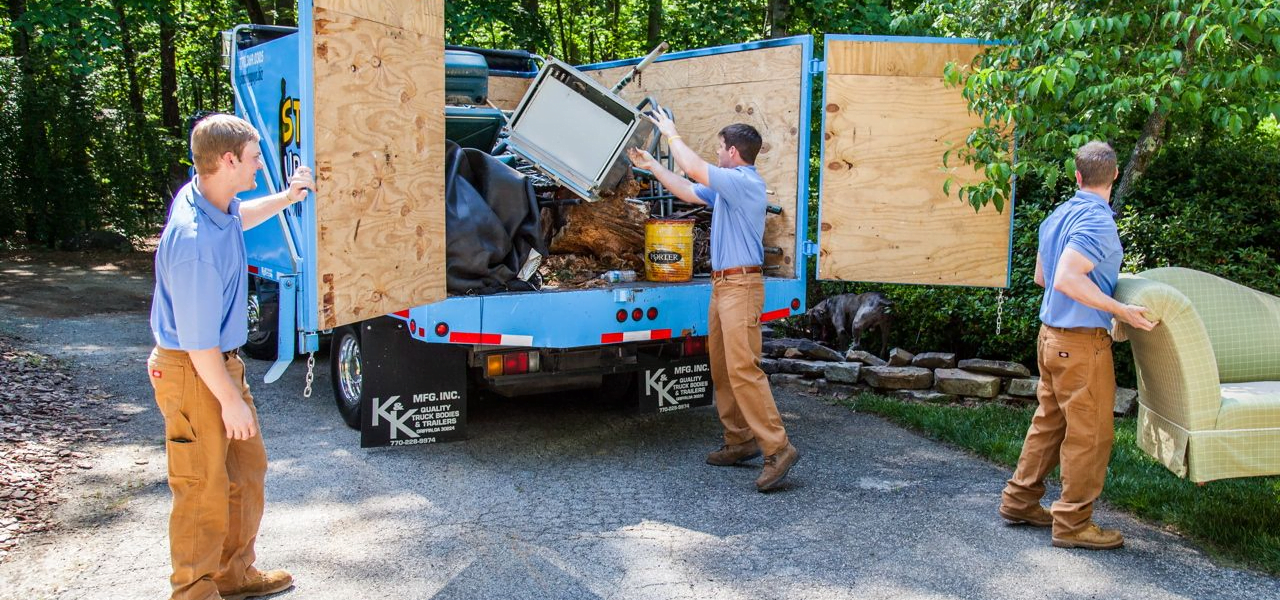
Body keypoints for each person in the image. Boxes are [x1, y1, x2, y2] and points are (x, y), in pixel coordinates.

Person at [148, 113, 314, 600]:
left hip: (219, 364)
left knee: (245, 471)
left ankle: (232, 574)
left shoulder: (211, 200)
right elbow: (198, 344)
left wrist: (286, 198)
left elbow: (237, 218)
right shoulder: (193, 244)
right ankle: (194, 591)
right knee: (202, 488)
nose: (261, 164)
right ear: (227, 160)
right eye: (255, 157)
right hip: (195, 367)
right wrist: (232, 400)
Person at [627, 109, 799, 492]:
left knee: (744, 369)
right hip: (723, 287)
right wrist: (654, 164)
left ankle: (778, 448)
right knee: (721, 367)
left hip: (741, 287)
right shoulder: (726, 188)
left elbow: (694, 168)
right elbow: (687, 189)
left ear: (734, 152)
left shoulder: (743, 182)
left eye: (720, 148)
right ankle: (739, 441)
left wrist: (670, 132)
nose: (717, 153)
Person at [998, 141, 1156, 549]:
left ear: (1077, 176)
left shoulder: (1058, 215)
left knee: (1049, 423)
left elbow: (1042, 277)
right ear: (1115, 174)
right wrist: (1119, 309)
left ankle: (1020, 501)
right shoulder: (1099, 222)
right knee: (1092, 434)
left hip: (1050, 338)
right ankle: (1072, 524)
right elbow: (1067, 277)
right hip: (1081, 344)